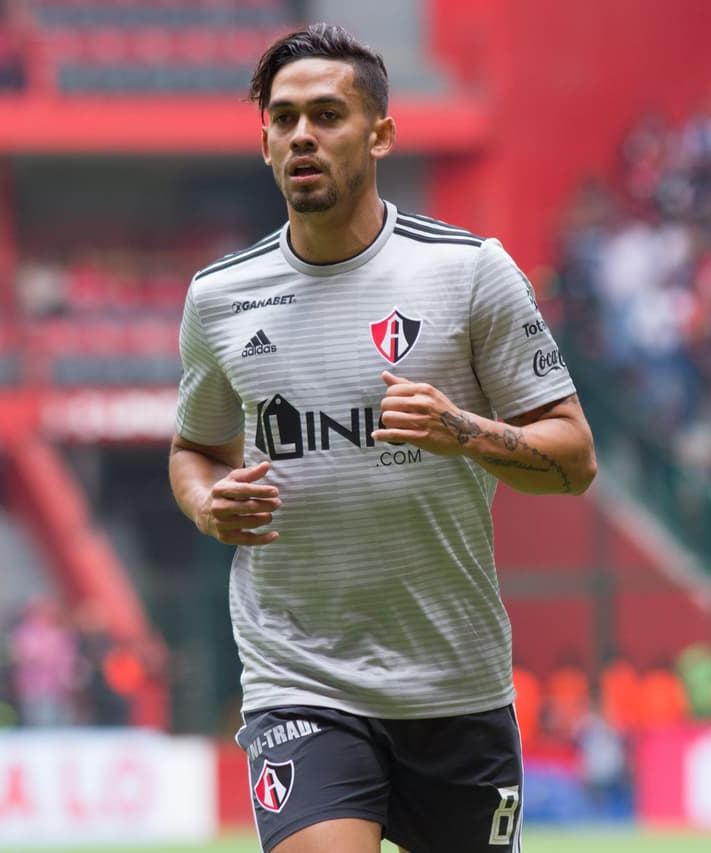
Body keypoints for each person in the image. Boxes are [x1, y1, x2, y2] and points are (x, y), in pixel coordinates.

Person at [169, 23, 596, 853]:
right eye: (283, 118)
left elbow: (574, 459)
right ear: (264, 142)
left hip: (454, 685)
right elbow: (195, 450)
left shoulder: (469, 272)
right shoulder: (220, 298)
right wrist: (205, 503)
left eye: (327, 115)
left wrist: (462, 430)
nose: (302, 134)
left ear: (381, 134)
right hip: (300, 678)